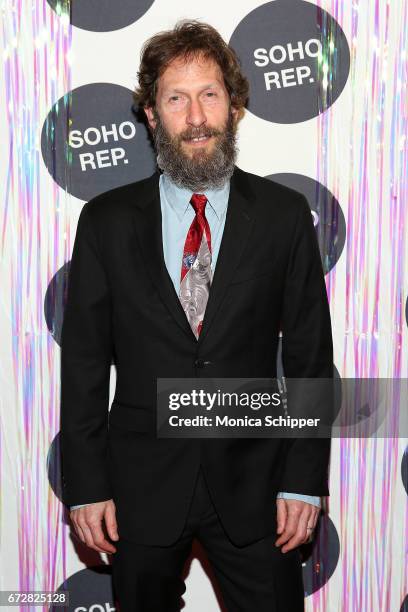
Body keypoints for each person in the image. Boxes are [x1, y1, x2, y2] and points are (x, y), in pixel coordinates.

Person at [60, 19, 333, 612]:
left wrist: (304, 479)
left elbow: (311, 359)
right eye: (176, 99)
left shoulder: (285, 217)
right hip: (140, 485)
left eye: (210, 94)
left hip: (258, 485)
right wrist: (86, 487)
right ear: (152, 115)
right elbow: (83, 363)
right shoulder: (105, 222)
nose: (196, 116)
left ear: (234, 107)